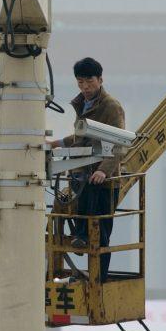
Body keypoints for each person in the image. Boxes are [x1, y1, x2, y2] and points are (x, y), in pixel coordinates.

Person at [49, 57, 125, 283]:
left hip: (102, 180)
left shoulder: (111, 107)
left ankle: (97, 278)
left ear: (100, 80)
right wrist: (58, 143)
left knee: (100, 234)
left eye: (89, 81)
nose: (85, 87)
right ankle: (79, 239)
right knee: (78, 215)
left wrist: (104, 170)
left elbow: (119, 143)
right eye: (80, 82)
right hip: (81, 174)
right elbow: (82, 137)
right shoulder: (83, 103)